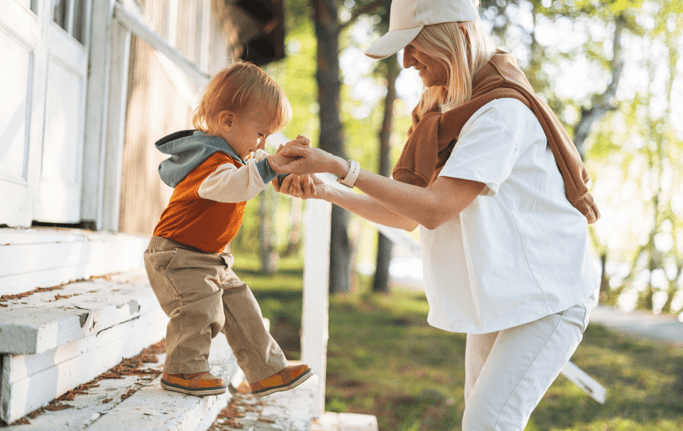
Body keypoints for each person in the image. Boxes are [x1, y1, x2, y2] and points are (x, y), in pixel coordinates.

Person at [271, 0, 601, 428]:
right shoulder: (442, 112)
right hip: (504, 291)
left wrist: (341, 167)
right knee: (483, 420)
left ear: (452, 35)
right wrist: (327, 190)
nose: (406, 61)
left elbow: (436, 209)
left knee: (487, 422)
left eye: (413, 45)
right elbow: (407, 213)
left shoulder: (501, 112)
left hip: (549, 295)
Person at [143, 61, 313, 398]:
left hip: (210, 258)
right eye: (260, 133)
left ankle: (267, 371)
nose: (262, 143)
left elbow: (251, 174)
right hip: (177, 254)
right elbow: (234, 186)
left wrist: (281, 174)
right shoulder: (211, 160)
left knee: (242, 307)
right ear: (228, 121)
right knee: (199, 309)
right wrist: (267, 167)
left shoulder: (234, 158)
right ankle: (183, 370)